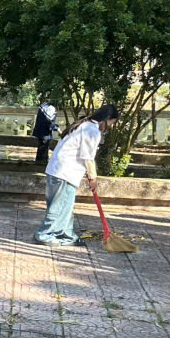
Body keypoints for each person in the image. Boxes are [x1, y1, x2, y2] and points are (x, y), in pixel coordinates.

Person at [35, 104, 119, 248]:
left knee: (65, 206)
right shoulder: (91, 130)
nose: (110, 127)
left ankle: (66, 235)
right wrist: (93, 178)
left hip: (58, 171)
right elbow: (88, 158)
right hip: (64, 173)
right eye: (111, 123)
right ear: (106, 119)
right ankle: (45, 235)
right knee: (59, 206)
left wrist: (90, 175)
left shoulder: (84, 125)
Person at [32, 98, 58, 165]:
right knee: (44, 147)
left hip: (39, 131)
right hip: (45, 132)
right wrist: (56, 128)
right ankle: (42, 163)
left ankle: (39, 161)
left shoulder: (43, 106)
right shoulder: (51, 108)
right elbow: (49, 121)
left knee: (41, 147)